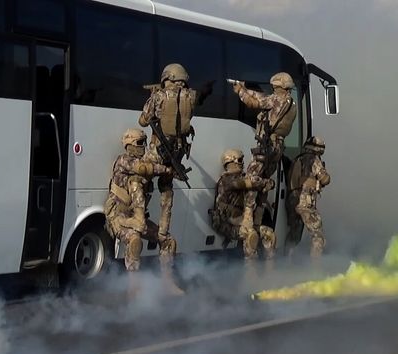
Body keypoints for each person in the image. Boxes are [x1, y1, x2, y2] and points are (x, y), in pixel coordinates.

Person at [104, 128, 184, 297]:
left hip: (136, 220)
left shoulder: (146, 165)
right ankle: (134, 288)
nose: (143, 147)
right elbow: (142, 168)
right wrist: (165, 170)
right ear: (129, 145)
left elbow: (152, 171)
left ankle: (167, 283)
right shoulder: (123, 161)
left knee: (168, 241)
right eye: (140, 143)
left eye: (144, 142)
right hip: (119, 217)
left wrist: (171, 171)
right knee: (134, 240)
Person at [229, 72, 298, 240]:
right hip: (277, 147)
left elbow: (254, 103)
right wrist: (247, 89)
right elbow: (263, 98)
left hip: (266, 146)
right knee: (263, 182)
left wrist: (240, 91)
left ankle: (247, 219)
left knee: (252, 179)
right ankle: (258, 218)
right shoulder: (290, 102)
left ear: (278, 85)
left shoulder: (275, 100)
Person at [138, 63, 197, 244]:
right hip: (177, 151)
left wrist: (152, 100)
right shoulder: (190, 97)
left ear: (167, 77)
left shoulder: (159, 96)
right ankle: (163, 231)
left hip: (159, 149)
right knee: (166, 188)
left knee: (139, 177)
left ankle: (139, 217)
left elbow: (143, 121)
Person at [210, 149, 276, 261]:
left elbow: (264, 183)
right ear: (231, 162)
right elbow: (251, 183)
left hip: (240, 220)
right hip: (224, 222)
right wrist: (264, 183)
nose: (242, 163)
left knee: (269, 234)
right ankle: (250, 272)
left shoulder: (241, 178)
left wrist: (267, 183)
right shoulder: (226, 180)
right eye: (240, 160)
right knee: (251, 235)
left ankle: (269, 269)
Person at [286, 136, 331, 258]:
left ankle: (286, 263)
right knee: (318, 236)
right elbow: (325, 179)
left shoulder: (297, 159)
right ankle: (315, 268)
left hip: (292, 202)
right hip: (305, 204)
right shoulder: (314, 160)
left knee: (293, 236)